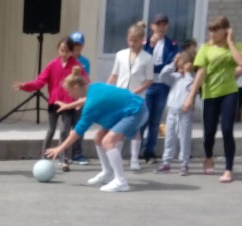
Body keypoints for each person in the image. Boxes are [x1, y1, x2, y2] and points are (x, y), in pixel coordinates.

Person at [44, 66, 149, 193]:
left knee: (108, 141)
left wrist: (60, 148)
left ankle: (121, 181)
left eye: (69, 91)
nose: (68, 94)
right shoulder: (94, 87)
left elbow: (78, 131)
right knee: (98, 138)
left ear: (76, 87)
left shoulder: (92, 105)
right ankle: (107, 172)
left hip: (136, 111)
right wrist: (69, 105)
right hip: (127, 110)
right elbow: (87, 99)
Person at [183, 17, 242, 184]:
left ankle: (228, 169)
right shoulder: (205, 49)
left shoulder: (237, 46)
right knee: (209, 132)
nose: (212, 33)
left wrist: (230, 42)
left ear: (226, 30)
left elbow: (241, 62)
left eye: (216, 30)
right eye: (210, 30)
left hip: (229, 92)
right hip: (210, 94)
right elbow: (200, 73)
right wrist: (190, 97)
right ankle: (209, 156)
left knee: (227, 129)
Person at [14, 36, 86, 172]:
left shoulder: (76, 66)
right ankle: (44, 157)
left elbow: (84, 83)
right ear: (58, 50)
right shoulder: (52, 65)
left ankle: (64, 159)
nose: (64, 53)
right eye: (62, 50)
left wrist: (80, 100)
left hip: (68, 104)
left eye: (67, 51)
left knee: (64, 131)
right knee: (51, 130)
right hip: (54, 103)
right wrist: (25, 86)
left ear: (71, 51)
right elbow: (39, 82)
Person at [107, 21, 154, 172]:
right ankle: (117, 156)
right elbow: (114, 75)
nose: (133, 43)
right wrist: (107, 89)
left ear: (142, 40)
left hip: (136, 97)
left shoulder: (147, 58)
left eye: (136, 41)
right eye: (130, 40)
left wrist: (136, 91)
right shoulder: (120, 55)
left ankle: (134, 159)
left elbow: (149, 80)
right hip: (121, 96)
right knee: (119, 127)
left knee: (135, 128)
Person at [141, 13, 180, 163]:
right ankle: (137, 149)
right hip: (147, 85)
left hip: (162, 85)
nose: (161, 28)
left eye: (164, 24)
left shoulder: (172, 44)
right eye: (158, 24)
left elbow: (171, 63)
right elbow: (142, 62)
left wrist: (155, 67)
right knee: (143, 117)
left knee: (155, 121)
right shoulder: (145, 43)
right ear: (152, 26)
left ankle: (149, 151)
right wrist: (151, 46)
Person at [154, 51, 196, 176]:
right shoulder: (175, 77)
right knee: (169, 137)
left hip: (185, 112)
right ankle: (166, 162)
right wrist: (172, 64)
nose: (180, 64)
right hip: (172, 111)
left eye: (183, 62)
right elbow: (163, 76)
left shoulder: (193, 78)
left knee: (184, 138)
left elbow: (193, 87)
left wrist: (187, 72)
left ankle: (184, 163)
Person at [68, 31, 91, 164]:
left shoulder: (85, 62)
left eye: (79, 44)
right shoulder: (66, 60)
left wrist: (82, 98)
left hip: (80, 99)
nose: (76, 47)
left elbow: (86, 81)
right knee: (66, 127)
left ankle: (77, 154)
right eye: (74, 44)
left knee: (79, 126)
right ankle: (65, 155)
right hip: (67, 98)